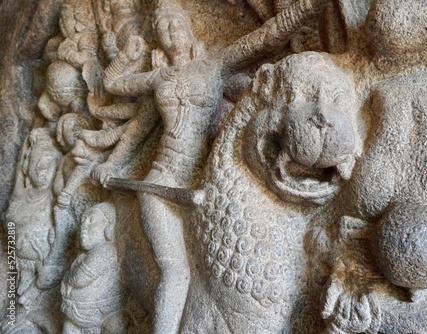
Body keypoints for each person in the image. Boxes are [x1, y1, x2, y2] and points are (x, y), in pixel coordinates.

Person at [98, 0, 325, 332]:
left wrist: (305, 9)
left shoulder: (213, 66)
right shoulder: (158, 77)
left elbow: (265, 39)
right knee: (175, 272)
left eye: (176, 23)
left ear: (189, 30)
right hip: (161, 178)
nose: (171, 31)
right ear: (158, 39)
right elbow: (113, 85)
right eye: (163, 27)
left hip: (206, 182)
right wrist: (125, 56)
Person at [61, 202, 124, 334]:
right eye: (83, 221)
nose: (84, 226)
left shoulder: (106, 251)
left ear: (108, 227)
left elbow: (79, 279)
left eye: (91, 221)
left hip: (99, 317)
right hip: (74, 314)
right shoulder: (83, 255)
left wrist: (67, 277)